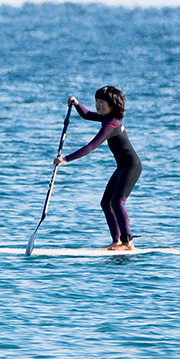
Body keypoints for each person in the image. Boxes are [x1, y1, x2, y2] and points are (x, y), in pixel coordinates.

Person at [56, 85, 141, 252]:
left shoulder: (112, 125)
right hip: (122, 167)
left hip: (131, 166)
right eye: (97, 101)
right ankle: (116, 241)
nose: (97, 105)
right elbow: (87, 115)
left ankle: (127, 243)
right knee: (105, 203)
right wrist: (77, 104)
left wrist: (66, 159)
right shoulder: (107, 118)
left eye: (102, 102)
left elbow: (90, 147)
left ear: (112, 105)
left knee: (117, 202)